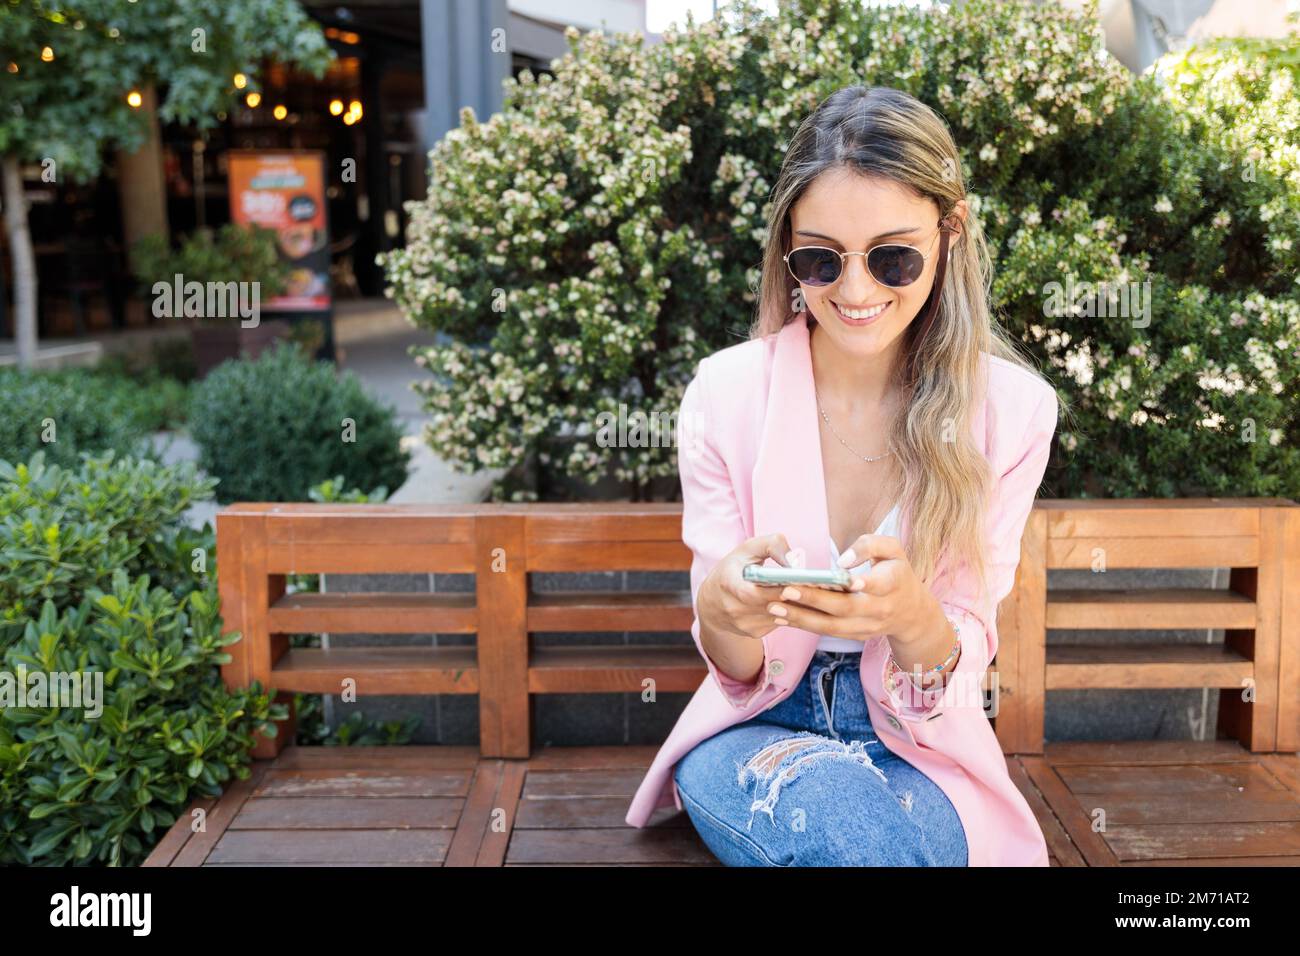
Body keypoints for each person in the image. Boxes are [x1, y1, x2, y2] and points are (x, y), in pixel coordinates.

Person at [624, 85, 1060, 867]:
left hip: (922, 750)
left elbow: (960, 655)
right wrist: (724, 613)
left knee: (864, 843)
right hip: (755, 730)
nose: (856, 292)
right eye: (821, 260)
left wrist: (911, 617)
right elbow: (732, 669)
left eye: (893, 256)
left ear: (951, 230)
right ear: (787, 250)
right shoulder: (724, 395)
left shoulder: (1013, 412)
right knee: (846, 831)